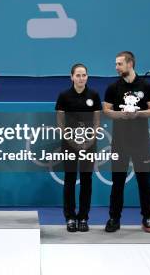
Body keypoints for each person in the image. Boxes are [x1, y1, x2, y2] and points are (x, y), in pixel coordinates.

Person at [103, 51, 150, 233]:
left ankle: (148, 218)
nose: (116, 67)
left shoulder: (147, 86)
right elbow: (106, 110)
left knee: (144, 181)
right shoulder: (113, 87)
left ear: (130, 64)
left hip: (141, 141)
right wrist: (121, 114)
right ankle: (114, 218)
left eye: (119, 64)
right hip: (119, 141)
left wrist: (137, 114)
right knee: (117, 181)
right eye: (116, 64)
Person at [55, 63, 102, 232]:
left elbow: (97, 121)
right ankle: (69, 217)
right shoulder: (64, 96)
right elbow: (60, 122)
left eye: (84, 75)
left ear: (87, 77)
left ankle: (83, 216)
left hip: (89, 145)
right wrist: (71, 141)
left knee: (86, 180)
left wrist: (90, 141)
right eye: (78, 75)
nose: (81, 78)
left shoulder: (94, 95)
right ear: (72, 77)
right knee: (69, 179)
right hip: (69, 144)